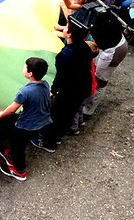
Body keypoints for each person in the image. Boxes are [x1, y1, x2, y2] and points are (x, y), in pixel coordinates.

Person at [33, 21, 94, 152]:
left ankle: (49, 143)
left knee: (58, 115)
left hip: (70, 91)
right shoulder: (84, 47)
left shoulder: (65, 55)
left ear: (69, 34)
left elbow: (61, 76)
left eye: (66, 27)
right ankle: (57, 136)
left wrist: (54, 90)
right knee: (68, 114)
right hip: (83, 87)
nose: (64, 28)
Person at [0, 57, 52, 182]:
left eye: (25, 66)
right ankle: (11, 155)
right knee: (21, 143)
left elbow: (11, 109)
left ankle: (19, 171)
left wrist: (1, 114)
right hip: (42, 122)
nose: (23, 68)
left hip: (26, 126)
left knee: (18, 146)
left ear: (30, 73)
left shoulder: (25, 91)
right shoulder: (45, 84)